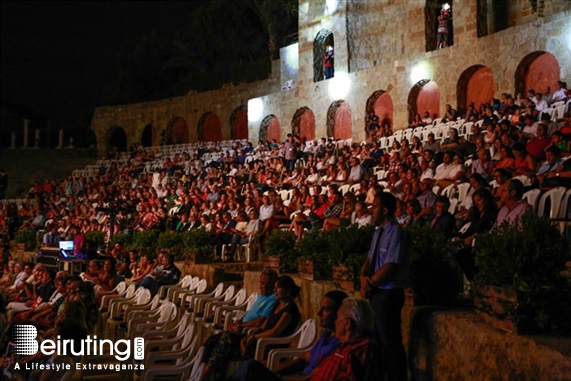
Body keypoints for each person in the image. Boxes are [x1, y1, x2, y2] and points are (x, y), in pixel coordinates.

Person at [230, 290, 349, 381]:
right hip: (295, 375)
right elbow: (305, 358)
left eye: (326, 310)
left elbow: (310, 377)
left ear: (339, 314)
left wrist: (282, 378)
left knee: (250, 367)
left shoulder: (340, 347)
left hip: (298, 377)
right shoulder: (327, 334)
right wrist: (280, 372)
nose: (318, 313)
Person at [203, 274, 300, 381]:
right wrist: (247, 337)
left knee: (225, 344)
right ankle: (212, 375)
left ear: (288, 290)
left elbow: (274, 332)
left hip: (267, 346)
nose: (274, 290)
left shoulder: (290, 310)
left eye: (278, 287)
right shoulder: (278, 305)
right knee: (219, 343)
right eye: (275, 287)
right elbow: (263, 326)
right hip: (257, 340)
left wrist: (253, 337)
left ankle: (206, 375)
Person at [360, 192, 409, 381]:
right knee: (378, 342)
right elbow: (370, 260)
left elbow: (390, 266)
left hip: (388, 294)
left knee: (390, 343)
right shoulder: (377, 232)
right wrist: (363, 277)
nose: (371, 211)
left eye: (374, 207)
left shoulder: (396, 233)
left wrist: (369, 284)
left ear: (385, 210)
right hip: (376, 292)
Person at [309, 297, 382, 381]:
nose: (335, 322)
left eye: (337, 317)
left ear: (347, 323)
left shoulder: (359, 351)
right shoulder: (347, 346)